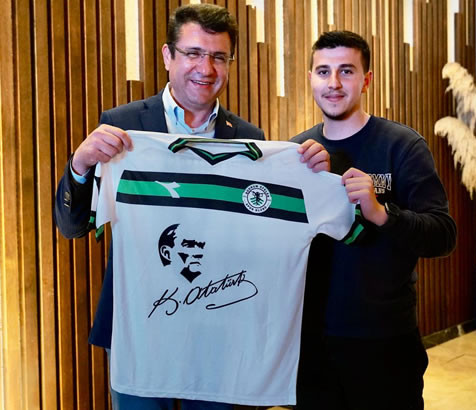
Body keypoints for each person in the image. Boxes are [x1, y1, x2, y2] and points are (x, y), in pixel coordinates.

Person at [55, 4, 327, 410]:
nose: (206, 68)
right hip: (139, 329)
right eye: (194, 53)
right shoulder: (123, 127)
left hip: (219, 326)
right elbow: (72, 225)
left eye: (219, 57)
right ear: (168, 56)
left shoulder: (249, 138)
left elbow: (258, 237)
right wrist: (80, 166)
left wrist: (311, 175)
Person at [291, 31, 457, 410]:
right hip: (313, 343)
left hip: (386, 340)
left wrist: (383, 213)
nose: (333, 83)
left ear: (366, 80)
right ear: (311, 78)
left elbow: (443, 235)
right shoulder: (297, 152)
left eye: (346, 71)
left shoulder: (402, 145)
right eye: (323, 71)